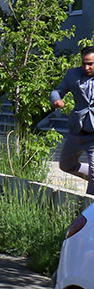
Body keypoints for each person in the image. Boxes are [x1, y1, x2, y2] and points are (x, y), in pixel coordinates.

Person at [51, 46, 94, 194]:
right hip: (77, 131)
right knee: (66, 164)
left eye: (90, 64)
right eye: (84, 63)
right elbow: (57, 91)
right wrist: (56, 100)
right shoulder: (73, 75)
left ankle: (89, 205)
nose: (86, 68)